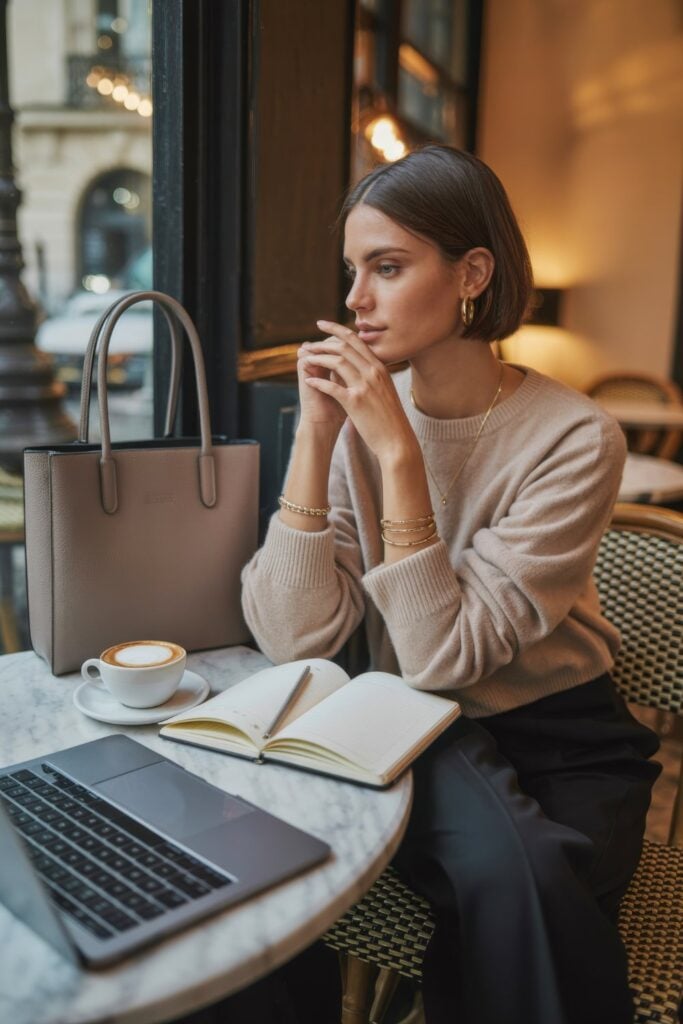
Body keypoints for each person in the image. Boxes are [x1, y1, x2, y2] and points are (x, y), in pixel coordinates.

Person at [241, 144, 661, 1024]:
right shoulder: (356, 423)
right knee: (501, 875)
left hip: (561, 738)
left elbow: (445, 653)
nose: (355, 300)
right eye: (353, 270)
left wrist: (398, 452)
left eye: (386, 268)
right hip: (415, 725)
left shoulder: (576, 439)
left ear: (472, 272)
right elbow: (291, 637)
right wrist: (316, 441)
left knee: (531, 877)